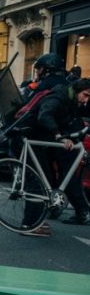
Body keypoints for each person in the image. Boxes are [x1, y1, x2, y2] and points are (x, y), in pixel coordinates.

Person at [22, 60, 90, 232]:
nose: (86, 100)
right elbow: (45, 115)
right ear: (77, 91)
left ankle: (45, 213)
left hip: (48, 140)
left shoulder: (66, 95)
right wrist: (59, 136)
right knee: (42, 179)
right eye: (86, 95)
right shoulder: (60, 96)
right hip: (42, 139)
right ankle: (32, 222)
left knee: (53, 178)